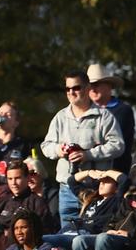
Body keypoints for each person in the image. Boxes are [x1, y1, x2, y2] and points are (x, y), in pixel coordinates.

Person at [41, 70, 126, 227]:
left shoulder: (104, 116)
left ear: (87, 89)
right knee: (67, 237)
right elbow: (46, 146)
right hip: (67, 189)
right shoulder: (60, 117)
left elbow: (118, 145)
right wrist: (59, 150)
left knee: (91, 235)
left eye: (76, 88)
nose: (71, 92)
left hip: (95, 189)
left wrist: (88, 154)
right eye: (68, 89)